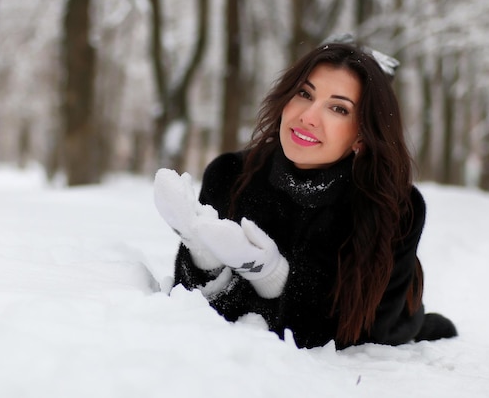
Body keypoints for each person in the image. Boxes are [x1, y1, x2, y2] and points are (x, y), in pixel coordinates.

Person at [153, 41, 457, 349]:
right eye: (304, 94)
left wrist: (272, 276)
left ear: (361, 136)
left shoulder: (395, 206)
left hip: (397, 323)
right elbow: (192, 306)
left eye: (338, 108)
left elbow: (366, 334)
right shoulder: (229, 174)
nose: (308, 116)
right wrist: (203, 258)